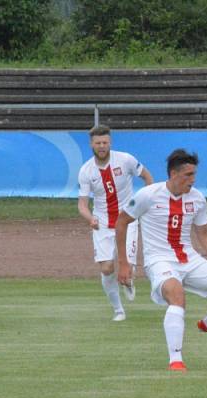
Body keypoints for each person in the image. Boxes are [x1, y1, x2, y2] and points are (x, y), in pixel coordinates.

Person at [116, 149, 207, 372]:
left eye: (194, 174)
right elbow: (122, 223)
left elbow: (204, 235)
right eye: (188, 175)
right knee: (177, 296)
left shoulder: (197, 198)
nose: (193, 179)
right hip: (159, 261)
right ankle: (175, 360)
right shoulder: (148, 195)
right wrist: (124, 263)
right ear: (173, 174)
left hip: (190, 260)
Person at [78, 124, 154, 321]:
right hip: (102, 223)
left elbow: (147, 177)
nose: (101, 146)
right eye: (97, 143)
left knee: (128, 268)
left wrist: (147, 203)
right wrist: (90, 218)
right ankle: (118, 310)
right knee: (106, 268)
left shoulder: (126, 159)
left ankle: (128, 280)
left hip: (127, 219)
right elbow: (82, 204)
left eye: (104, 142)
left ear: (110, 142)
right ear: (91, 145)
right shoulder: (86, 170)